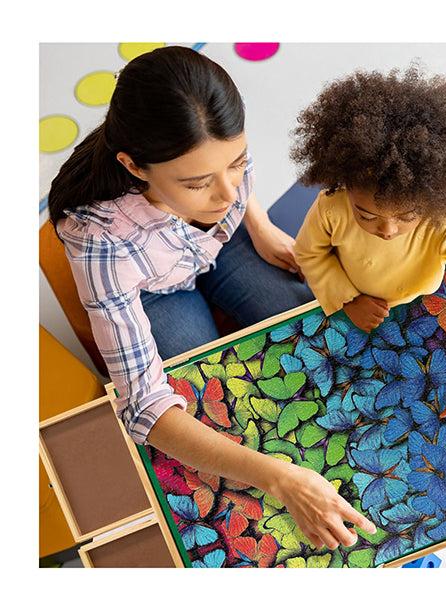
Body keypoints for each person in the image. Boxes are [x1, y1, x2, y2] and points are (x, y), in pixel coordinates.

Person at [48, 46, 376, 551]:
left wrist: (259, 224)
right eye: (198, 182)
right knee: (208, 403)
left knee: (314, 327)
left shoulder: (218, 161)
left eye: (237, 163)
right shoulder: (97, 239)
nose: (226, 194)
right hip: (156, 293)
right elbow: (146, 407)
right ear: (134, 166)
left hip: (226, 246)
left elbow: (229, 182)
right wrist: (280, 479)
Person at [292, 66, 446, 452]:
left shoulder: (443, 225)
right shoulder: (331, 206)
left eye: (407, 216)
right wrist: (347, 300)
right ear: (346, 186)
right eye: (366, 215)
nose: (387, 230)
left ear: (432, 197)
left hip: (423, 306)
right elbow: (308, 252)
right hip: (352, 309)